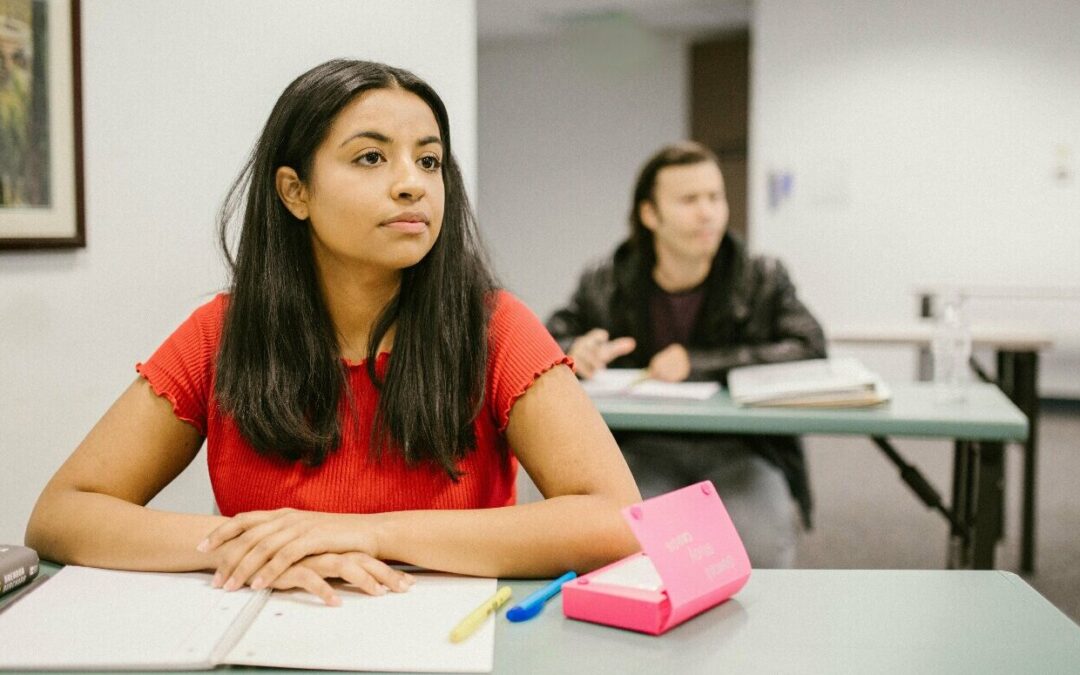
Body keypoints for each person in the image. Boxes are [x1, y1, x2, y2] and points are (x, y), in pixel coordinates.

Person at [25, 59, 640, 605]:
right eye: (371, 157)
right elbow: (64, 514)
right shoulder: (221, 333)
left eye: (429, 161)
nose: (413, 183)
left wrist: (367, 534)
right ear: (295, 192)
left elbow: (617, 519)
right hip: (269, 634)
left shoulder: (496, 328)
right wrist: (263, 546)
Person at [546, 141, 825, 568]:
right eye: (689, 200)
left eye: (715, 198)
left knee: (762, 550)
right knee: (623, 550)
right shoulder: (605, 281)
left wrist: (697, 365)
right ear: (650, 215)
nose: (708, 212)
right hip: (639, 448)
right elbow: (549, 343)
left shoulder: (761, 276)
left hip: (745, 448)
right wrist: (574, 353)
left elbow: (810, 347)